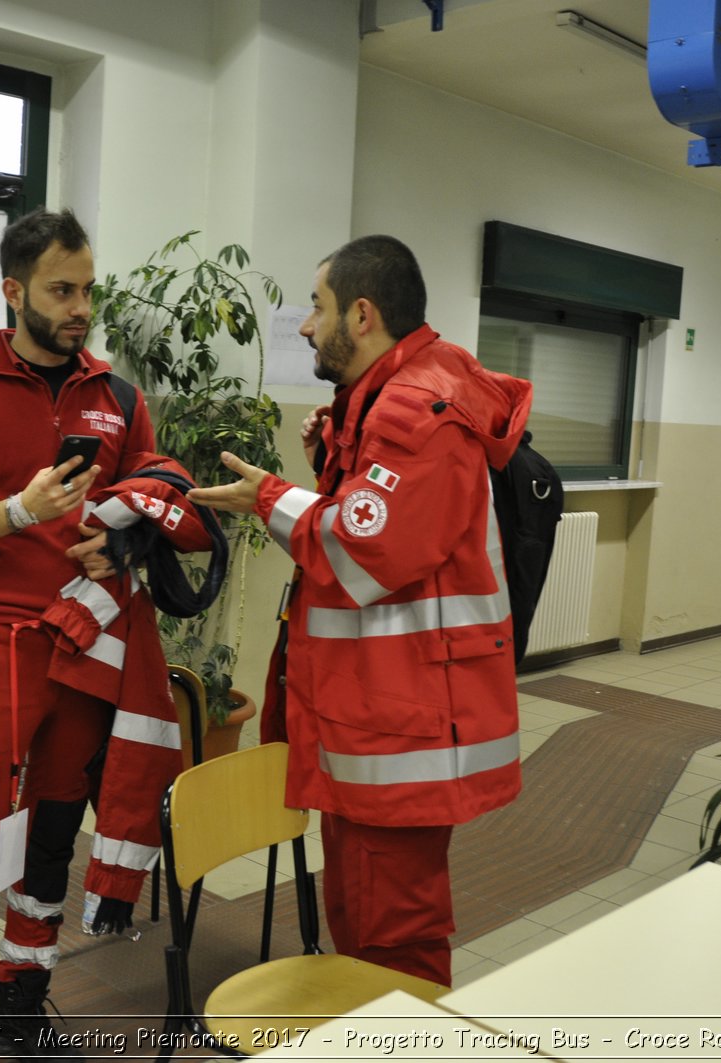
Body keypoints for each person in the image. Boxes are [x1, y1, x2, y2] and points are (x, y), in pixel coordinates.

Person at [0, 208, 202, 1059]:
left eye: (88, 290)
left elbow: (158, 489)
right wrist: (20, 510)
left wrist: (126, 538)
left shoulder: (118, 396)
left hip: (89, 636)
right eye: (62, 290)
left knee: (57, 832)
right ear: (14, 290)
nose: (80, 307)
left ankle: (19, 1007)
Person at [188, 234, 532, 987]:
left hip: (397, 732)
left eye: (317, 306)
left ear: (364, 314)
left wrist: (270, 498)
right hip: (376, 718)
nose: (307, 324)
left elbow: (363, 554)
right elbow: (381, 526)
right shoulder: (389, 396)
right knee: (362, 933)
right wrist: (324, 466)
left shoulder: (415, 410)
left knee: (390, 943)